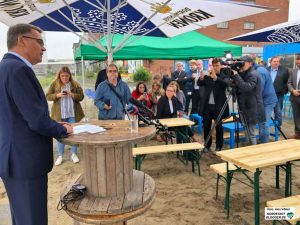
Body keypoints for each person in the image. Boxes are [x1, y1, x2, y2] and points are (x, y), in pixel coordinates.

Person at [0, 24, 73, 225]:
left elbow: (19, 115)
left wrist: (51, 122)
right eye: (40, 42)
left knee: (22, 218)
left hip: (14, 159)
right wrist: (61, 128)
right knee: (32, 220)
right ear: (22, 41)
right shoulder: (19, 69)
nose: (44, 48)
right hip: (25, 161)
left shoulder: (5, 67)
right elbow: (35, 120)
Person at [46, 66, 84, 165]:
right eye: (62, 76)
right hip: (60, 115)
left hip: (72, 113)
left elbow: (81, 96)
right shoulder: (55, 84)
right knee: (60, 134)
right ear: (59, 76)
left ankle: (74, 154)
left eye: (66, 76)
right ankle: (60, 155)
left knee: (74, 134)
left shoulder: (75, 84)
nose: (64, 78)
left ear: (70, 76)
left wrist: (72, 94)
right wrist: (57, 95)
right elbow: (48, 96)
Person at [231, 55, 265, 145]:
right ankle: (248, 148)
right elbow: (237, 85)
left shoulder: (253, 73)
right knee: (246, 129)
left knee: (251, 133)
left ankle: (253, 151)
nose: (242, 64)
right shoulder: (245, 72)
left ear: (250, 63)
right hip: (245, 105)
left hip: (252, 107)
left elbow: (247, 87)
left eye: (243, 62)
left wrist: (237, 76)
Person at [198, 58, 229, 152]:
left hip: (218, 106)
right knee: (206, 126)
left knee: (218, 126)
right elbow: (200, 83)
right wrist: (201, 77)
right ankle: (207, 145)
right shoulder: (208, 76)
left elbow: (226, 84)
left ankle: (219, 146)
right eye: (213, 65)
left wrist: (216, 78)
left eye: (217, 66)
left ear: (221, 66)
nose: (215, 68)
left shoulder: (224, 75)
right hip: (208, 106)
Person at [252, 62, 278, 143]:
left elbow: (260, 89)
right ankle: (262, 140)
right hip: (265, 99)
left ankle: (264, 143)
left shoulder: (260, 72)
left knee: (263, 122)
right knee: (261, 121)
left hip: (267, 100)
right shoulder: (259, 70)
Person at [267, 56, 290, 128]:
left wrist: (284, 91)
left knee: (278, 112)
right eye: (274, 61)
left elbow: (286, 81)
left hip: (278, 95)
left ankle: (278, 127)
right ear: (270, 62)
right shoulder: (266, 70)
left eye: (277, 61)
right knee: (267, 111)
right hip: (267, 95)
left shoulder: (284, 70)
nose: (276, 63)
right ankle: (265, 126)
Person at [287, 55, 300, 139]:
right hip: (294, 97)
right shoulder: (293, 71)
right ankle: (298, 133)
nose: (298, 64)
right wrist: (292, 91)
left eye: (299, 63)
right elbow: (289, 83)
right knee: (296, 117)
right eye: (297, 63)